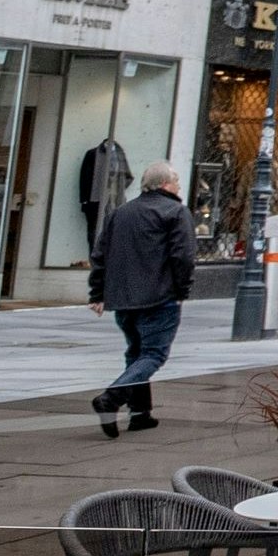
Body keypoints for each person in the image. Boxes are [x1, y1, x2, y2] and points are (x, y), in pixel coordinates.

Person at [86, 166, 195, 438]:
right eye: (176, 180)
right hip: (159, 297)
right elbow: (183, 256)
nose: (179, 186)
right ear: (166, 183)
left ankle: (140, 413)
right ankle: (111, 399)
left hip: (124, 299)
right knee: (153, 354)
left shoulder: (121, 212)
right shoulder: (176, 212)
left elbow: (100, 255)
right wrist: (181, 290)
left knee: (136, 353)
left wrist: (97, 293)